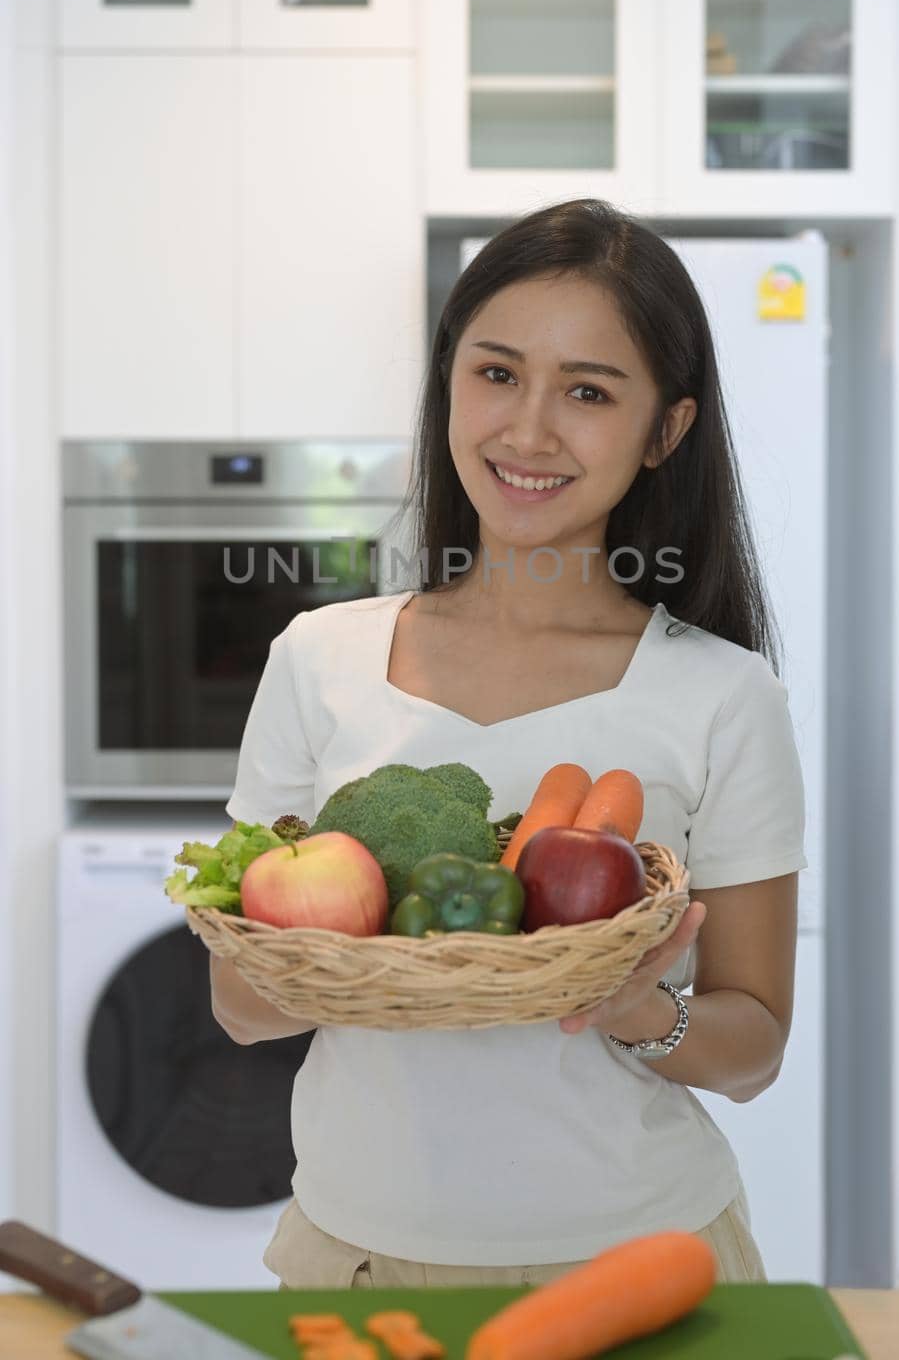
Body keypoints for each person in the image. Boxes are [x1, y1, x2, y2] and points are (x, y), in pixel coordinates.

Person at [211, 197, 807, 1292]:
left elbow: (755, 1044)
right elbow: (240, 1008)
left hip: (642, 1263)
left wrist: (634, 1008)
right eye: (495, 373)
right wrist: (354, 962)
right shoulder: (316, 658)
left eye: (587, 391)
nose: (527, 431)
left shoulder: (724, 695)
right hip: (356, 1257)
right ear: (449, 384)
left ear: (663, 430)